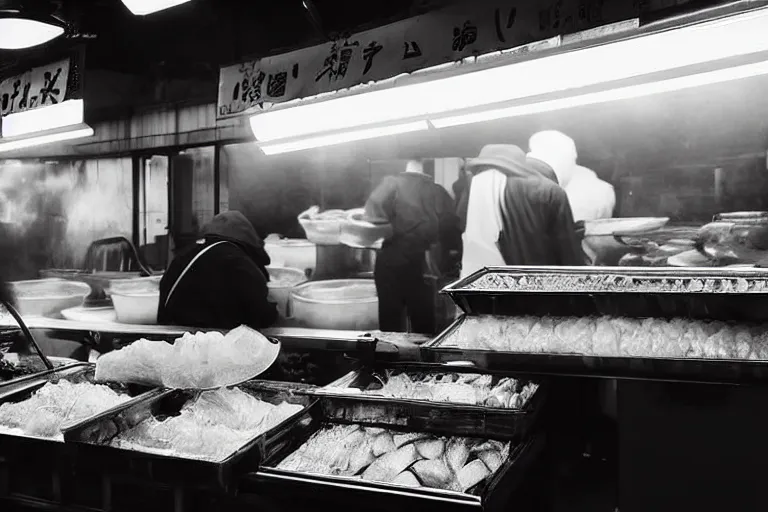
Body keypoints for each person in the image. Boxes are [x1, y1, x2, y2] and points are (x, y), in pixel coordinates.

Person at [364, 160, 461, 335]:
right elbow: (452, 228)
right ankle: (422, 359)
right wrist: (448, 257)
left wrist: (390, 229)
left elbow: (371, 215)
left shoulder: (390, 184)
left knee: (390, 324)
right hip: (422, 264)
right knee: (423, 325)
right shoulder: (437, 191)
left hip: (389, 260)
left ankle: (389, 360)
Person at [459, 144, 583, 278]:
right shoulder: (550, 190)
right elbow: (567, 249)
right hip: (542, 283)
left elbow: (460, 226)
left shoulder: (475, 189)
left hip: (489, 284)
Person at [157, 210, 278, 330]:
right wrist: (276, 308)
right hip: (211, 342)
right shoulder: (240, 263)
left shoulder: (185, 255)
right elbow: (262, 317)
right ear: (249, 237)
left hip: (170, 336)